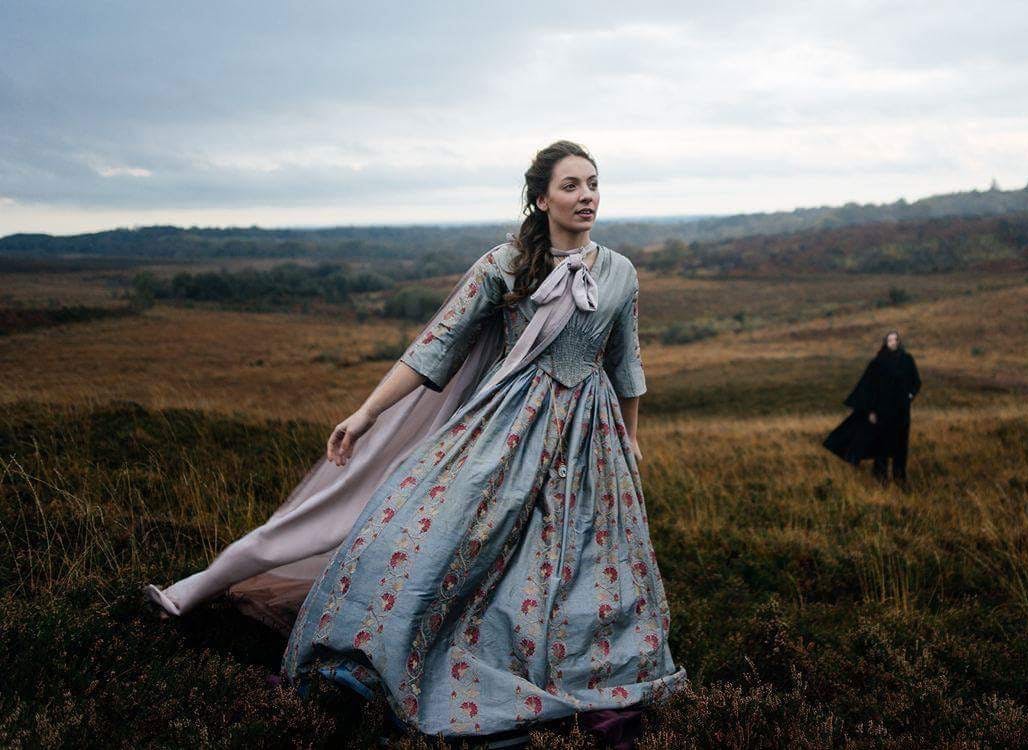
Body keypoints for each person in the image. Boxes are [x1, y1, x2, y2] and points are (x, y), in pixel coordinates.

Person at [143, 140, 686, 746]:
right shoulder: (503, 266)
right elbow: (436, 347)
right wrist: (367, 412)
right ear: (541, 198)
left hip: (590, 432)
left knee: (583, 554)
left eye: (593, 183)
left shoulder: (620, 271)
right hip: (506, 422)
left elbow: (625, 363)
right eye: (571, 186)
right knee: (429, 525)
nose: (586, 196)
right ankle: (387, 648)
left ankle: (561, 661)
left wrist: (630, 438)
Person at [822, 329, 921, 487]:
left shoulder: (907, 360)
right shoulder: (877, 363)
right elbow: (867, 388)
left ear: (899, 342)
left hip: (901, 411)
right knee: (881, 445)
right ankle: (881, 478)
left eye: (896, 340)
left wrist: (910, 396)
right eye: (890, 340)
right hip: (882, 411)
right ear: (885, 343)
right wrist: (870, 411)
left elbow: (916, 381)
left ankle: (900, 477)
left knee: (901, 444)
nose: (894, 343)